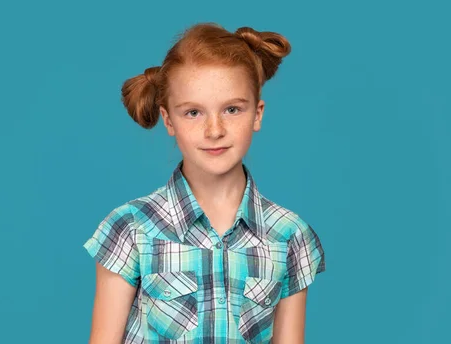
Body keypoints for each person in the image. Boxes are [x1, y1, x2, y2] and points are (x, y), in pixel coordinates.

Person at [82, 22, 326, 343]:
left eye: (232, 109)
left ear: (257, 114)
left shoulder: (290, 235)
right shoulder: (130, 229)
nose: (214, 130)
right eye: (193, 113)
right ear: (168, 119)